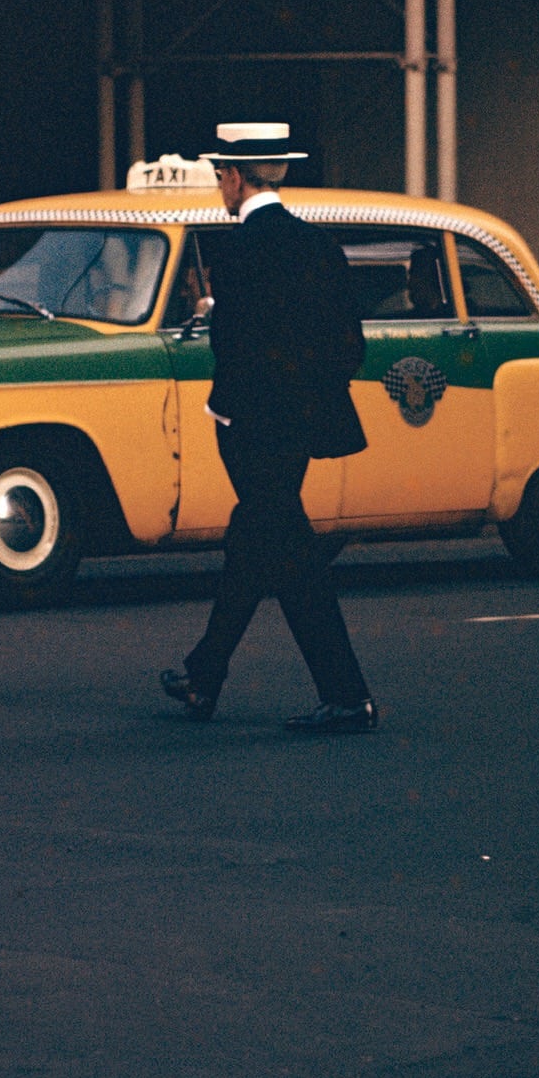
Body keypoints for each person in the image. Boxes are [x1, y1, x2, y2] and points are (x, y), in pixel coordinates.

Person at [160, 122, 377, 735]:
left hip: (250, 430)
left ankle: (348, 696)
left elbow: (234, 352)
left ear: (233, 177)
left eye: (219, 176)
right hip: (302, 427)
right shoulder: (319, 247)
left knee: (289, 553)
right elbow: (348, 347)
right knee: (254, 542)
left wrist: (225, 411)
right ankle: (204, 674)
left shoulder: (237, 254)